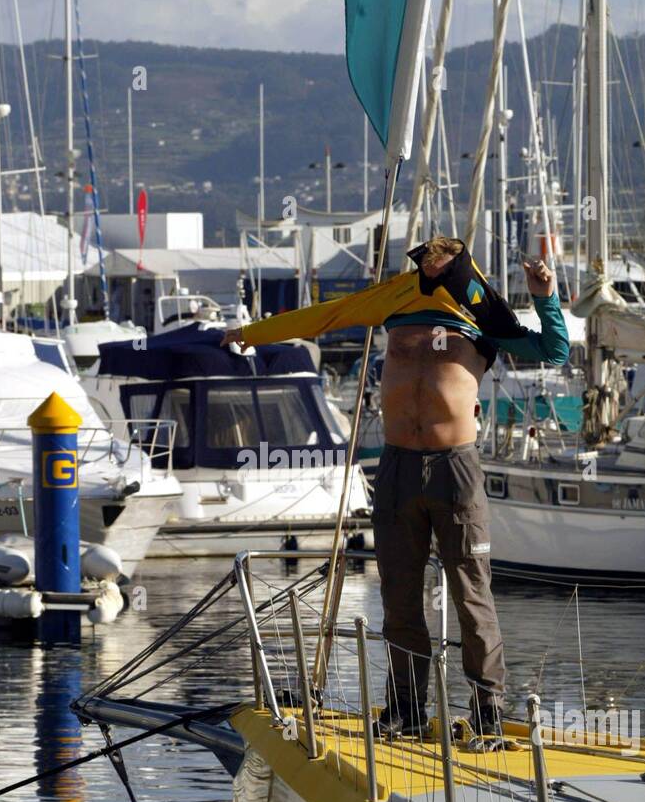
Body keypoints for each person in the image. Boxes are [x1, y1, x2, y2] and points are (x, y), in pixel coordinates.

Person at [222, 237, 569, 742]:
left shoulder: (480, 307)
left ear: (457, 263)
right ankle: (405, 710)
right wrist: (255, 333)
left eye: (440, 261)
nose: (430, 266)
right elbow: (325, 316)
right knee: (399, 598)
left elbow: (554, 351)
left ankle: (488, 713)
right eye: (424, 259)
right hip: (396, 467)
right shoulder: (395, 296)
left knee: (472, 597)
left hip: (456, 468)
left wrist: (545, 296)